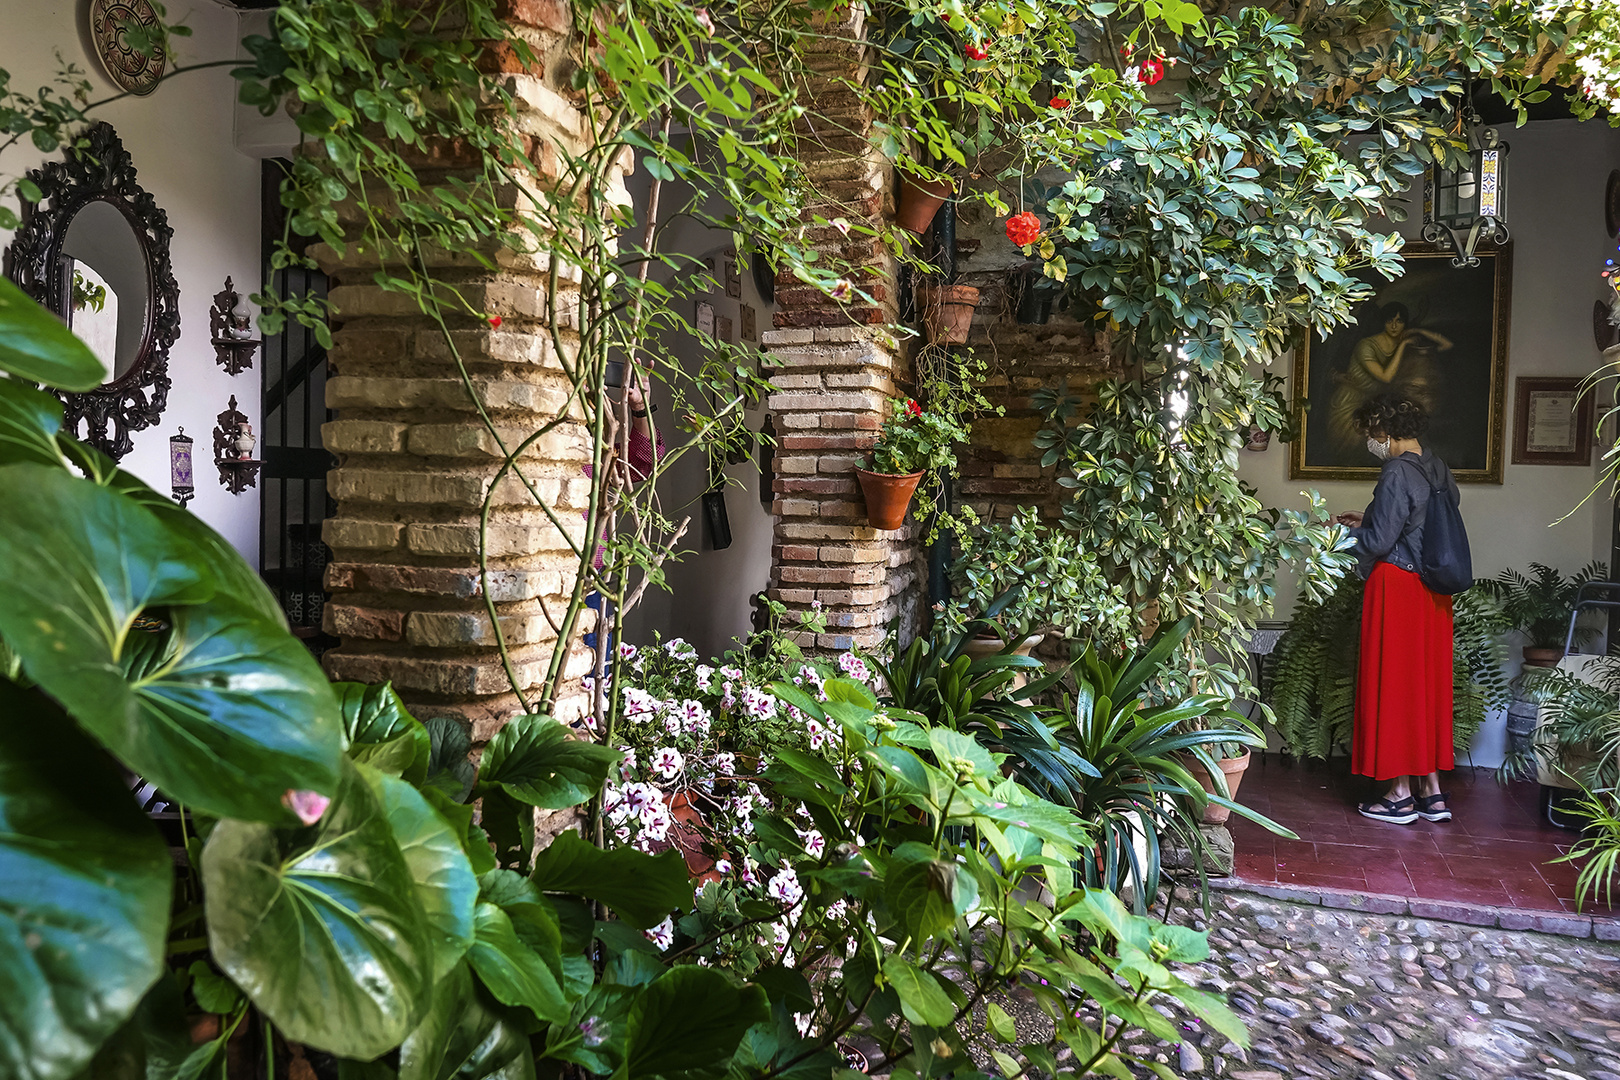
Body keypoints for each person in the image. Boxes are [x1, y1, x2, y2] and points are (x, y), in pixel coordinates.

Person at [1334, 393, 1462, 824]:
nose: (1371, 441)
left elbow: (1380, 543)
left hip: (1398, 588)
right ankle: (1432, 792)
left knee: (1394, 686)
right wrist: (1369, 519)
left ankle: (1398, 795)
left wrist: (1337, 543)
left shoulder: (1394, 472)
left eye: (1371, 433)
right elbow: (1420, 523)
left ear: (1383, 430)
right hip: (1433, 592)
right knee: (1425, 687)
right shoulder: (1437, 465)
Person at [1326, 303, 1452, 458]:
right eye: (1389, 321)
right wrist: (1403, 345)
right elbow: (1386, 377)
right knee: (1355, 449)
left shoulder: (1403, 341)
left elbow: (1447, 345)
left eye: (1399, 321)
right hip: (1353, 402)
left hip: (1381, 407)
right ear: (1383, 322)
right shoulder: (1366, 345)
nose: (1394, 326)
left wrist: (1417, 331)